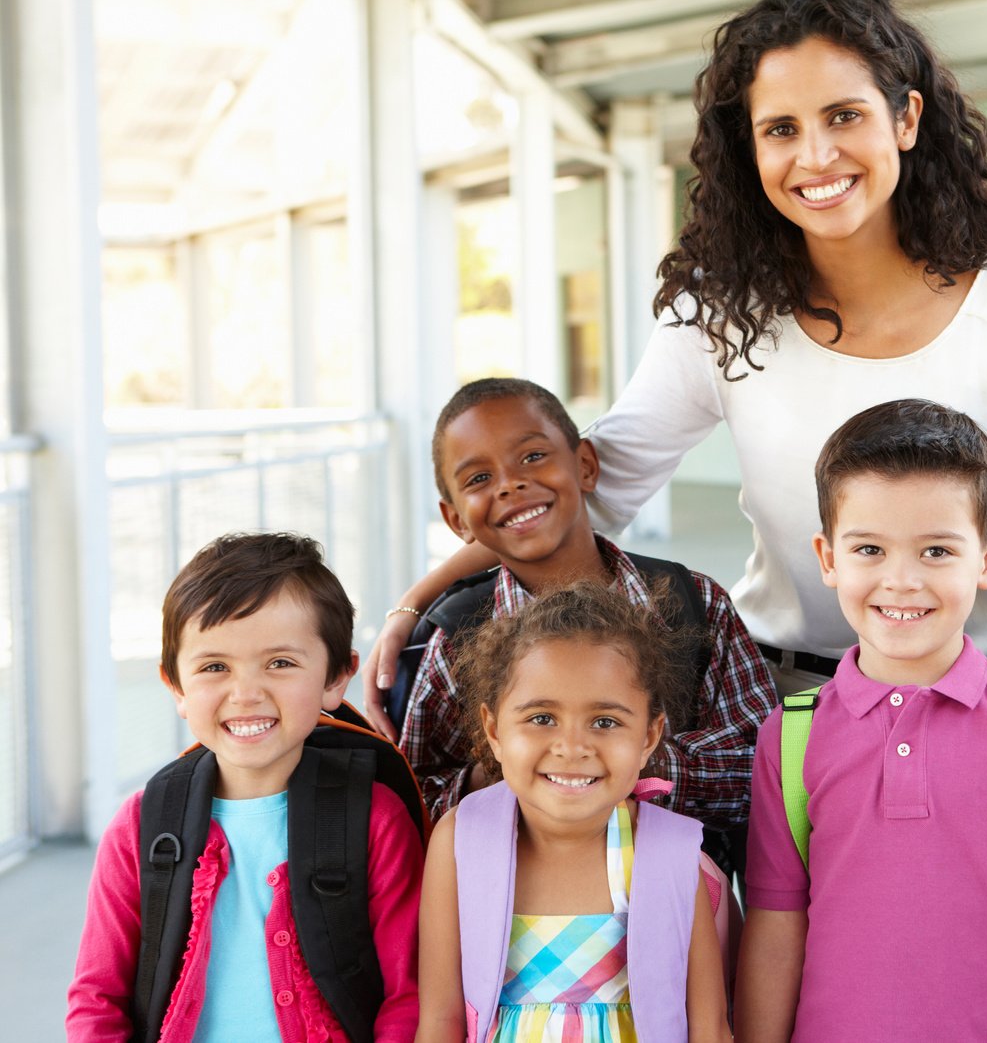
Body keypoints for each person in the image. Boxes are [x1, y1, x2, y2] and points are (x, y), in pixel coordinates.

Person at [364, 0, 987, 722]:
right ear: (747, 149)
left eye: (843, 115)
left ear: (905, 117)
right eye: (780, 129)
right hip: (797, 702)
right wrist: (419, 601)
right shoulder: (718, 318)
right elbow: (588, 495)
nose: (815, 156)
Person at [735, 399, 987, 1043]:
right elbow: (773, 926)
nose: (901, 580)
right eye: (869, 549)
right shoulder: (791, 736)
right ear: (828, 558)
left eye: (936, 550)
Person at [67, 533, 422, 1041]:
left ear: (336, 677)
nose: (247, 693)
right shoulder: (142, 826)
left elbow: (408, 994)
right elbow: (97, 998)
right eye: (215, 667)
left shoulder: (374, 818)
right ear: (176, 687)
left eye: (280, 663)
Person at [397, 377, 775, 828]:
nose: (510, 484)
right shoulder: (455, 639)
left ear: (585, 466)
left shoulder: (695, 603)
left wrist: (636, 760)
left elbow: (763, 769)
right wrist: (504, 769)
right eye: (479, 478)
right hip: (515, 897)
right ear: (456, 518)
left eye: (533, 456)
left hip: (682, 891)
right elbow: (412, 802)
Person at [416, 581, 731, 1043]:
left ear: (648, 737)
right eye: (542, 718)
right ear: (494, 729)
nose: (572, 748)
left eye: (605, 722)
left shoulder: (670, 853)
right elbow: (440, 1021)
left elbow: (711, 1029)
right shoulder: (461, 838)